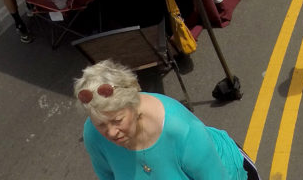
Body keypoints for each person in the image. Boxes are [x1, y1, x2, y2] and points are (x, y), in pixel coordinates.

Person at [76, 59, 261, 179]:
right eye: (101, 124)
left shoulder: (183, 130)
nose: (110, 132)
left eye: (117, 120)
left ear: (134, 104)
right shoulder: (93, 134)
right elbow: (107, 176)